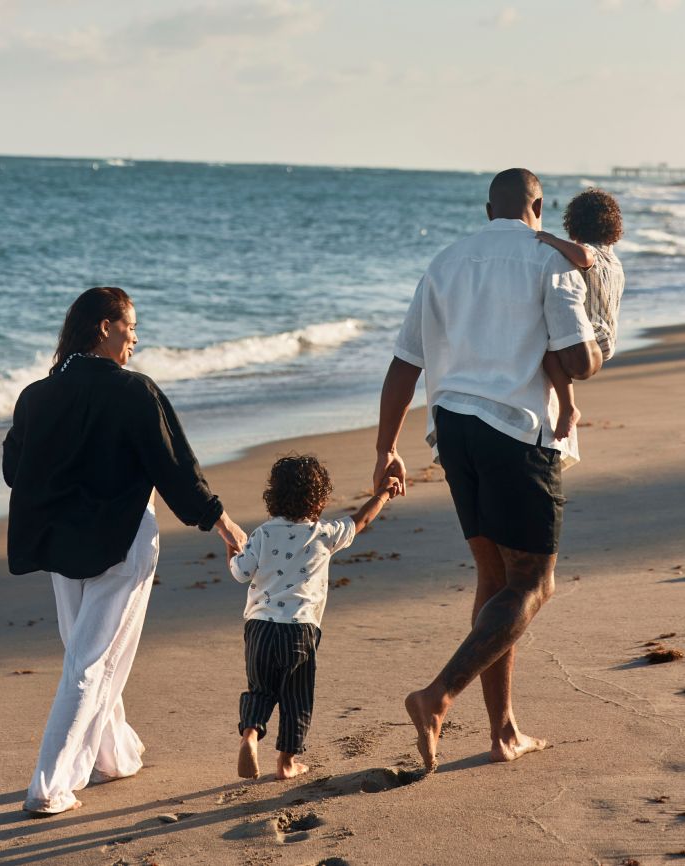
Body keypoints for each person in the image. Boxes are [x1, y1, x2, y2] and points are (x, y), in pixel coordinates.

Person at [374, 169, 602, 772]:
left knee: (495, 580)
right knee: (533, 583)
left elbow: (405, 364)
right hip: (513, 431)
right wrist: (598, 344)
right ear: (538, 206)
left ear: (486, 209)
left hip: (453, 429)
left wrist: (385, 449)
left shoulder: (446, 261)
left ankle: (502, 731)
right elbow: (577, 363)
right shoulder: (548, 260)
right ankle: (437, 696)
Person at [2, 286, 246, 816]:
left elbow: (12, 473)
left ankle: (112, 755)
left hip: (61, 544)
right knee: (93, 662)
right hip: (122, 540)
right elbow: (174, 467)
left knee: (85, 658)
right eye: (130, 325)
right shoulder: (135, 392)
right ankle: (49, 785)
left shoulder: (36, 395)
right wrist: (220, 520)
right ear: (105, 327)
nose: (135, 336)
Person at [227, 454, 400, 780]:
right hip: (300, 631)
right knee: (296, 698)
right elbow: (360, 520)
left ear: (273, 496)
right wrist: (383, 494)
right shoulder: (324, 533)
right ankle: (286, 763)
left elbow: (240, 572)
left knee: (260, 689)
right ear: (320, 499)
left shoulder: (262, 534)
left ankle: (250, 734)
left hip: (259, 628)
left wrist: (232, 551)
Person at [537, 188, 625, 438]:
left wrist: (551, 239)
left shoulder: (589, 251)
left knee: (546, 350)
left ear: (574, 224)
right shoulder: (614, 261)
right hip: (607, 339)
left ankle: (568, 407)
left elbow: (584, 256)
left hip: (590, 338)